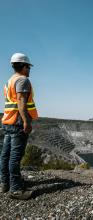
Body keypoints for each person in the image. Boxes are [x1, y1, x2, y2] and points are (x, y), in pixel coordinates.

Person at [0, 53, 38, 199]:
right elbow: (21, 103)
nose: (29, 70)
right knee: (15, 157)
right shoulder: (23, 80)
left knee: (6, 155)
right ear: (23, 66)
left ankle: (5, 184)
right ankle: (15, 189)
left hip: (8, 121)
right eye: (28, 66)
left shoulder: (10, 81)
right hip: (17, 123)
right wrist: (26, 122)